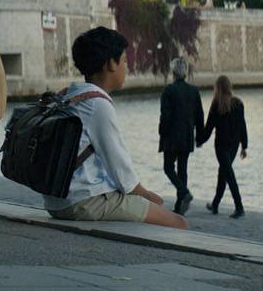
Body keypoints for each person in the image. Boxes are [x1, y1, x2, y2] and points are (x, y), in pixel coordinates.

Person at [42, 27, 187, 230]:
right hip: (84, 201)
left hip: (57, 201)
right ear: (111, 63)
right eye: (125, 61)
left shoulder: (69, 95)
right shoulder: (98, 105)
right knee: (178, 223)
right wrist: (148, 196)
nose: (126, 67)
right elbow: (121, 171)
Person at [198, 75, 249, 218]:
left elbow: (208, 128)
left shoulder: (217, 105)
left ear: (218, 88)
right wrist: (244, 146)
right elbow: (242, 126)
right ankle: (215, 205)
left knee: (228, 174)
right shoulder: (238, 103)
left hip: (221, 146)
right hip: (233, 145)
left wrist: (200, 140)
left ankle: (239, 207)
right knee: (224, 174)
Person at [159, 56, 203, 215]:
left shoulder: (168, 90)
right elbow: (199, 115)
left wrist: (162, 133)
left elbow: (165, 115)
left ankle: (184, 193)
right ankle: (179, 206)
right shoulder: (194, 91)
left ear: (173, 72)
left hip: (171, 136)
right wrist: (200, 137)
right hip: (187, 136)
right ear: (185, 73)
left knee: (168, 167)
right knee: (182, 169)